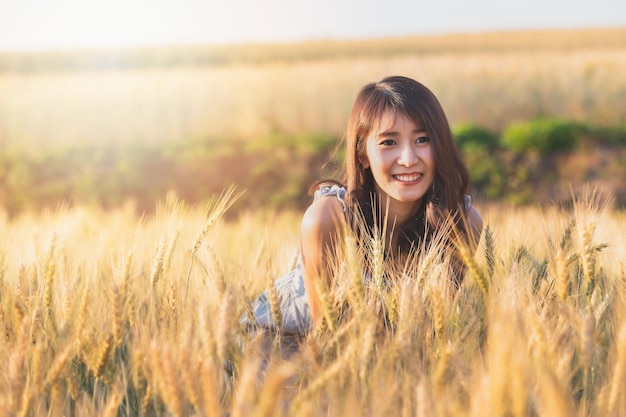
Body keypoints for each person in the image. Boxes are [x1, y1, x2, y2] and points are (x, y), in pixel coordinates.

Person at [246, 75, 483, 339]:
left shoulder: (463, 223)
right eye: (389, 142)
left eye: (422, 139)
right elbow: (327, 340)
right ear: (363, 156)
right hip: (276, 345)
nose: (408, 159)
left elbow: (433, 334)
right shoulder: (328, 219)